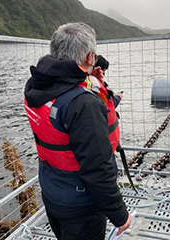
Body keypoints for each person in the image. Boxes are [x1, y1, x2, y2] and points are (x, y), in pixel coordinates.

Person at [24, 22, 131, 240]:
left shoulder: (36, 86)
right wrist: (120, 216)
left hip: (53, 193)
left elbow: (65, 110)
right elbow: (97, 168)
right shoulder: (83, 104)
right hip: (81, 205)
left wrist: (99, 88)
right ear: (90, 57)